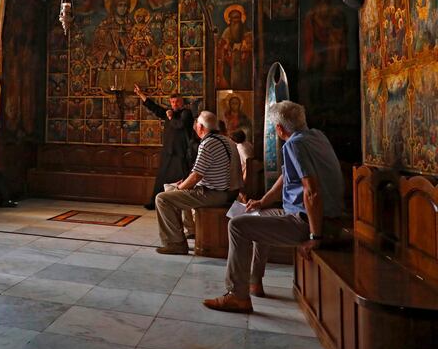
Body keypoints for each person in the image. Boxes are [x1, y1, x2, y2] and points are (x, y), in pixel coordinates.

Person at [203, 101, 344, 313]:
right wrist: (262, 202)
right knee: (260, 215)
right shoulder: (316, 136)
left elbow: (311, 192)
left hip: (312, 221)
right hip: (316, 215)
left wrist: (316, 238)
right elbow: (286, 177)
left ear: (279, 129)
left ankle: (236, 296)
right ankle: (254, 282)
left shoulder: (294, 145)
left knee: (237, 226)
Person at [155, 111, 241, 255]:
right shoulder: (226, 140)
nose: (194, 126)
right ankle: (187, 232)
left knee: (162, 198)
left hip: (216, 194)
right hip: (229, 191)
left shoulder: (208, 143)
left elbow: (196, 176)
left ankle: (176, 243)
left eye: (196, 124)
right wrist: (182, 186)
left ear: (201, 127)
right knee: (173, 191)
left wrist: (179, 188)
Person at [134, 85, 195, 212]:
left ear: (182, 102)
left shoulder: (186, 113)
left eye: (177, 101)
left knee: (181, 179)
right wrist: (141, 94)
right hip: (168, 152)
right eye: (172, 102)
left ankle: (179, 202)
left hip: (181, 153)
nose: (174, 104)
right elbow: (154, 108)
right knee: (162, 178)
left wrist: (171, 117)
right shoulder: (169, 113)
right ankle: (155, 202)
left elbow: (180, 125)